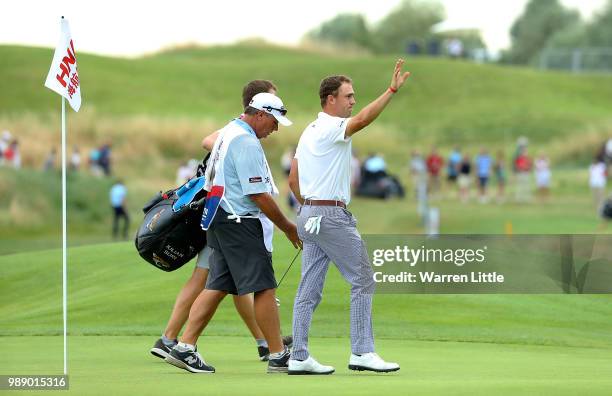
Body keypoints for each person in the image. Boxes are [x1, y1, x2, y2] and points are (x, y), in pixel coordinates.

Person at [151, 80, 292, 365]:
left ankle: (184, 347)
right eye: (274, 122)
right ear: (261, 115)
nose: (275, 129)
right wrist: (288, 227)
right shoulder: (246, 141)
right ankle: (278, 355)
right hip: (239, 220)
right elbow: (258, 195)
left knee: (216, 285)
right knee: (264, 287)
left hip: (219, 216)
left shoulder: (230, 130)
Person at [287, 59, 409, 375]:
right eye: (348, 96)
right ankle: (362, 352)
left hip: (309, 213)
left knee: (308, 288)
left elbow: (292, 181)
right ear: (331, 99)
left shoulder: (309, 130)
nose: (353, 102)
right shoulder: (329, 127)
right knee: (363, 279)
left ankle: (298, 355)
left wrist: (310, 209)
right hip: (329, 215)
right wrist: (391, 91)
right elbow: (363, 120)